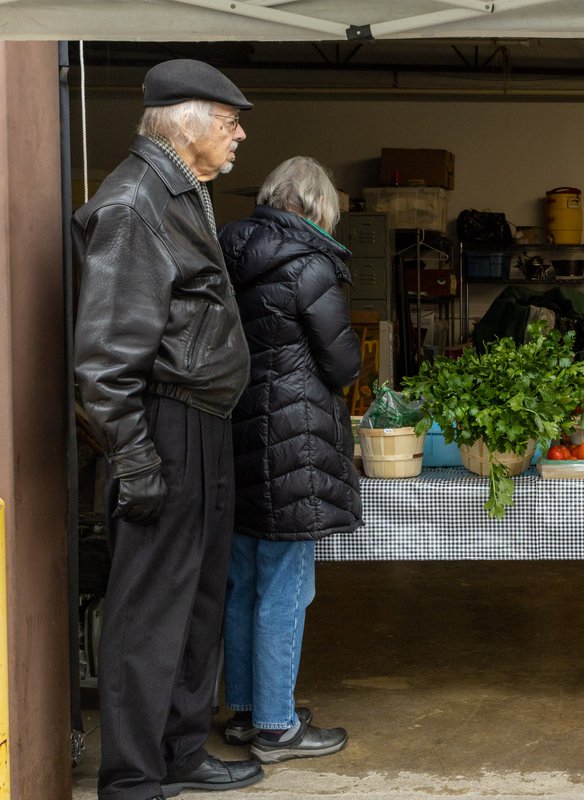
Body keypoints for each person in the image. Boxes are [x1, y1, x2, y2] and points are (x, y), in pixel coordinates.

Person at [73, 60, 261, 799]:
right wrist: (139, 461)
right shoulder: (134, 202)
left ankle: (181, 751)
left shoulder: (180, 190)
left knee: (200, 598)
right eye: (228, 120)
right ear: (186, 123)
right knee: (151, 607)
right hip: (165, 424)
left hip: (202, 422)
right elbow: (105, 359)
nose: (239, 133)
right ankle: (132, 778)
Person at [218, 156, 362, 763]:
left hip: (236, 434)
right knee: (286, 586)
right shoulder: (309, 265)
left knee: (244, 580)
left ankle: (248, 711)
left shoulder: (228, 252)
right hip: (295, 442)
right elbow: (343, 363)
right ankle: (279, 727)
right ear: (317, 207)